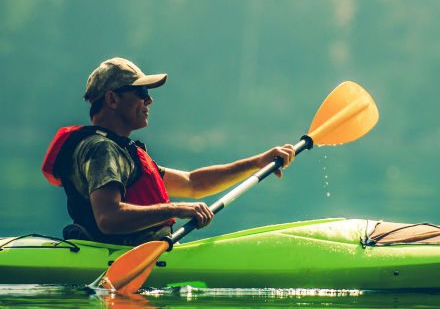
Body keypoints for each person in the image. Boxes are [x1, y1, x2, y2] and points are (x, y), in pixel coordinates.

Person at [42, 57, 296, 245]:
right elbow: (108, 218)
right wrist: (176, 209)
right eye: (141, 92)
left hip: (137, 252)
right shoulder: (102, 150)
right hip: (117, 257)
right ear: (112, 99)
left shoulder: (119, 150)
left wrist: (258, 162)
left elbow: (193, 183)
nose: (149, 100)